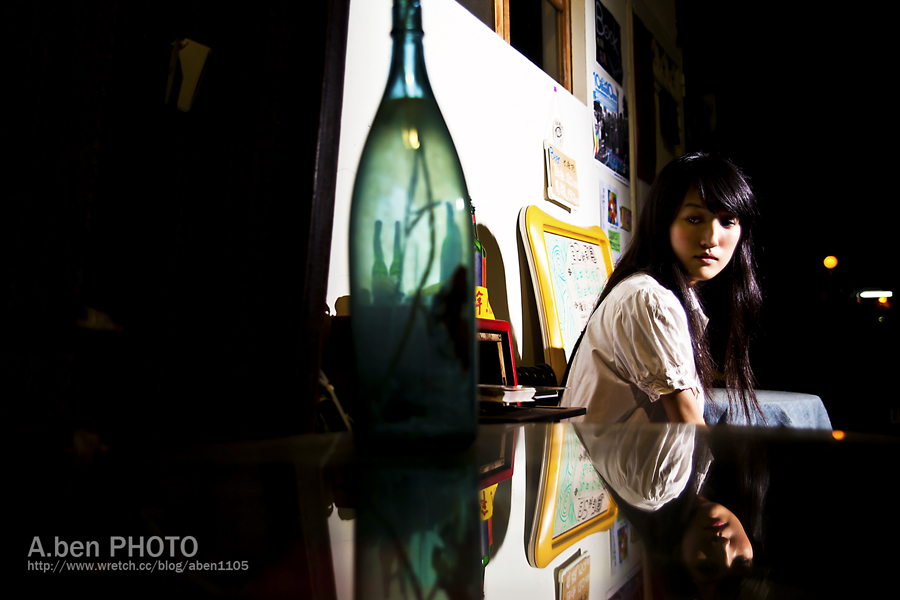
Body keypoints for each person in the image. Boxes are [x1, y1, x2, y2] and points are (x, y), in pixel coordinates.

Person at [563, 152, 763, 424]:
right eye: (694, 219)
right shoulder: (649, 299)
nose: (711, 238)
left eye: (727, 221)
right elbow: (691, 428)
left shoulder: (664, 294)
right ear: (663, 220)